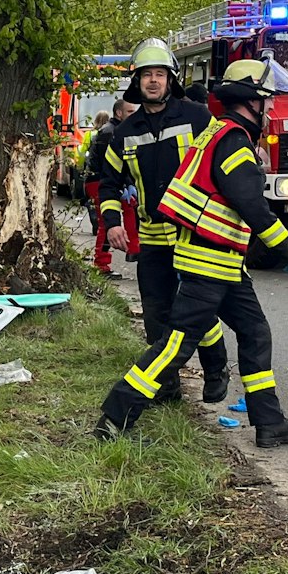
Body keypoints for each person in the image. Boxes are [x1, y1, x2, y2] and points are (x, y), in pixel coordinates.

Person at [96, 60, 288, 447]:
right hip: (208, 262)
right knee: (176, 344)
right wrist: (285, 244)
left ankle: (269, 421)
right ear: (251, 102)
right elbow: (248, 200)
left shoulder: (218, 131)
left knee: (254, 332)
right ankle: (115, 415)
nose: (271, 110)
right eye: (267, 101)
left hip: (222, 261)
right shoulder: (233, 140)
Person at [99, 38, 229, 403]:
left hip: (195, 235)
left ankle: (215, 369)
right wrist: (112, 223)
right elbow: (108, 185)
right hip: (153, 240)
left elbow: (225, 161)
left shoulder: (198, 118)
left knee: (198, 310)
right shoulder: (124, 133)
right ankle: (168, 385)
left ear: (171, 80)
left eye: (160, 74)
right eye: (146, 75)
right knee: (157, 314)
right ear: (136, 81)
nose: (153, 81)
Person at [86, 102, 136, 275]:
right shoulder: (111, 132)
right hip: (99, 181)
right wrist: (125, 184)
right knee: (106, 223)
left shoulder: (114, 130)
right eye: (130, 111)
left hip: (102, 180)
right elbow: (114, 165)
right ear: (119, 113)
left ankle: (134, 249)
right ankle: (101, 264)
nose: (133, 114)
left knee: (130, 209)